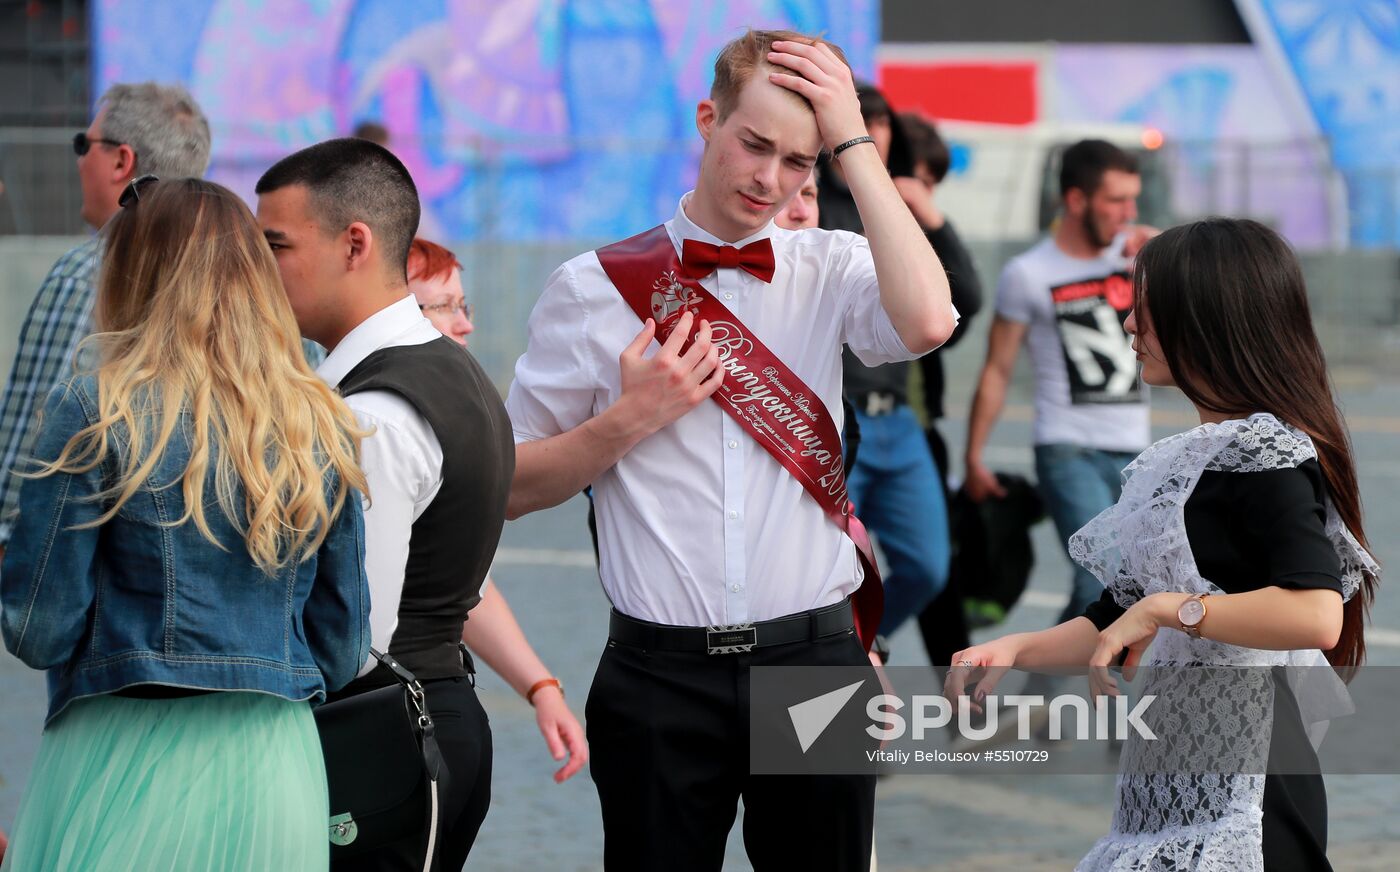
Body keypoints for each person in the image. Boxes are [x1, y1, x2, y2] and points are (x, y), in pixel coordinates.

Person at [506, 28, 957, 872]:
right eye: (753, 145)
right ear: (708, 120)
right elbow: (506, 488)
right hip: (657, 672)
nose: (770, 179)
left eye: (799, 163)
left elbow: (930, 321)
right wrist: (626, 422)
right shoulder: (591, 288)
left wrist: (853, 141)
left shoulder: (831, 266)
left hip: (814, 662)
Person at [946, 217, 1380, 871]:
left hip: (1252, 778)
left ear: (1204, 322)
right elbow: (1109, 621)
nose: (1128, 327)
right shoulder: (1175, 463)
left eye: (1144, 312)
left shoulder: (1266, 452)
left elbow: (1315, 614)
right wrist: (1015, 648)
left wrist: (1171, 610)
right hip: (1169, 777)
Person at [0, 177, 371, 871]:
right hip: (273, 761)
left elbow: (38, 631)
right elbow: (344, 651)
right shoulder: (320, 421)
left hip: (122, 746)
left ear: (132, 276)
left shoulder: (94, 408)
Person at [256, 138, 514, 871]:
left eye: (276, 244)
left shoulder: (373, 410)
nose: (260, 269)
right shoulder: (442, 369)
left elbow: (355, 637)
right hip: (427, 715)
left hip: (384, 732)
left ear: (354, 244)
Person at [0, 83, 211, 565]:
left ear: (121, 161)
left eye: (84, 144)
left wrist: (9, 538)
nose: (78, 161)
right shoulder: (233, 274)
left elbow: (34, 438)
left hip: (85, 573)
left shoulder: (92, 270)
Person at [408, 236, 588, 783]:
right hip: (685, 670)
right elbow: (460, 573)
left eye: (808, 184)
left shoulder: (835, 297)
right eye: (447, 306)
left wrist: (855, 641)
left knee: (837, 840)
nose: (792, 204)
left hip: (824, 642)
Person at [963, 139, 1154, 635]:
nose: (1127, 213)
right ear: (1076, 200)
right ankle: (1055, 689)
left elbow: (1210, 286)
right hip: (1067, 447)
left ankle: (1041, 688)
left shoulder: (1139, 258)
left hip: (1136, 451)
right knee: (1103, 575)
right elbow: (997, 369)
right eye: (1116, 201)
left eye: (1133, 200)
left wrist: (1160, 244)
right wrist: (974, 456)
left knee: (1125, 581)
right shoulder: (1028, 274)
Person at [818, 88, 983, 640]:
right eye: (858, 123)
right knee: (824, 575)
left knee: (930, 567)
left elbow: (965, 302)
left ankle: (862, 643)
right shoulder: (810, 202)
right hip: (835, 418)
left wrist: (929, 216)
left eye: (878, 123)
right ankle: (839, 658)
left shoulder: (893, 205)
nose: (871, 134)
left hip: (900, 422)